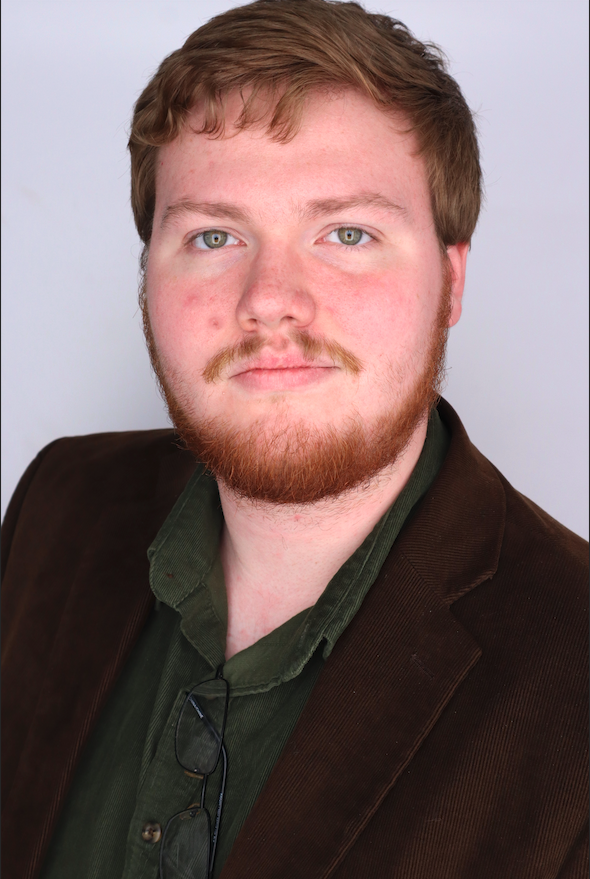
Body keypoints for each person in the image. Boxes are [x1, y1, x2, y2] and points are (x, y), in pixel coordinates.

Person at [2, 1, 587, 877]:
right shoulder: (57, 504)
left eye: (347, 233)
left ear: (451, 280)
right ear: (147, 273)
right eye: (213, 235)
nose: (271, 298)